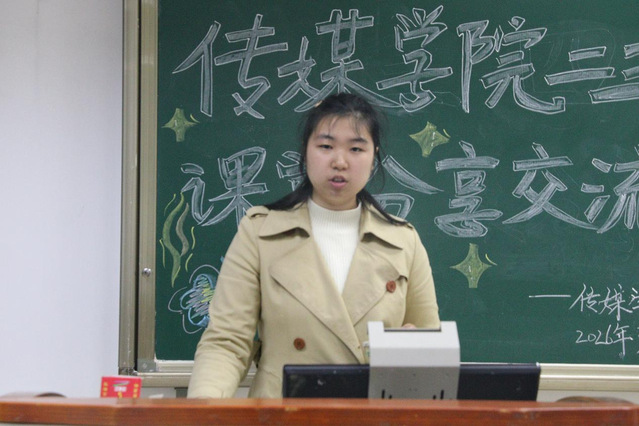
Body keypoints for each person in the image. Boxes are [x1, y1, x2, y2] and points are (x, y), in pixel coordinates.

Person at [187, 93, 440, 398]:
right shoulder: (260, 232)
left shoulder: (402, 241)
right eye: (325, 146)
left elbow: (431, 354)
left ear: (374, 157)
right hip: (282, 413)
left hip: (371, 415)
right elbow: (226, 343)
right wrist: (204, 410)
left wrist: (414, 351)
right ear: (305, 151)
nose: (340, 162)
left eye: (356, 148)